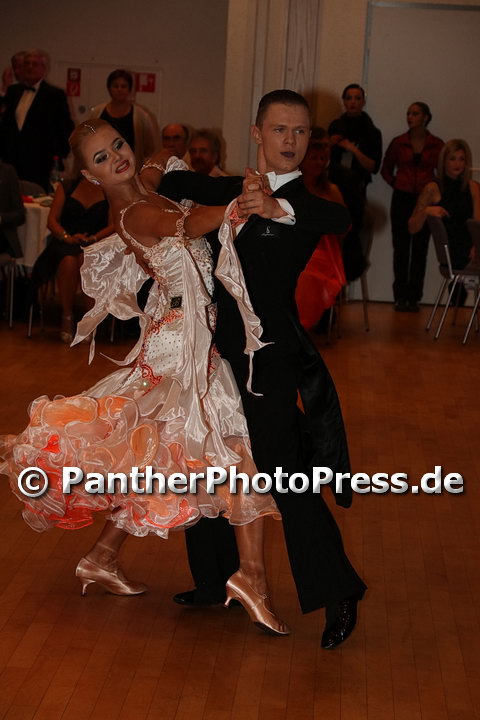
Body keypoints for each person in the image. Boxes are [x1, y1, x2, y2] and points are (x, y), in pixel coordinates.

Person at [0, 118, 290, 637]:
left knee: (157, 454)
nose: (117, 157)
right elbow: (192, 222)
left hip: (186, 337)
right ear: (90, 176)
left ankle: (103, 557)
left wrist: (160, 158)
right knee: (231, 451)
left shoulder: (146, 187)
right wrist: (240, 203)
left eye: (117, 145)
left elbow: (155, 161)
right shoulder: (135, 212)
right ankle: (252, 578)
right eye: (102, 158)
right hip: (179, 348)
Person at [157, 89, 367, 650]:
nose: (290, 141)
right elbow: (171, 182)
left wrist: (278, 210)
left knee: (281, 470)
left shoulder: (305, 204)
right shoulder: (233, 189)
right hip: (213, 353)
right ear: (257, 134)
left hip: (268, 359)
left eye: (300, 131)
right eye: (279, 129)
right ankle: (213, 580)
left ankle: (339, 590)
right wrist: (147, 165)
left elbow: (341, 218)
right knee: (209, 459)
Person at [31, 173, 114, 342]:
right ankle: (67, 316)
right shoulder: (67, 186)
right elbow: (52, 220)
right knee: (68, 261)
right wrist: (66, 237)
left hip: (95, 243)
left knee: (86, 260)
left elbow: (114, 225)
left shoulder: (109, 189)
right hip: (66, 241)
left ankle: (89, 320)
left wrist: (94, 238)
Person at [381, 102, 443, 311]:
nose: (410, 117)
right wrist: (397, 184)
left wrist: (434, 191)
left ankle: (414, 297)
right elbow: (386, 169)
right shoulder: (399, 142)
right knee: (400, 248)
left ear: (425, 117)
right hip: (402, 198)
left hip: (424, 201)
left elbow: (442, 171)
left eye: (415, 113)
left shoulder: (436, 144)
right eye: (408, 113)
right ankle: (400, 296)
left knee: (420, 249)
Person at [408, 138, 480, 304]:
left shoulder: (473, 187)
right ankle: (459, 286)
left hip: (472, 248)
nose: (457, 164)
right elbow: (412, 227)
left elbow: (477, 224)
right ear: (443, 161)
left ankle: (460, 287)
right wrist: (426, 211)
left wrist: (476, 245)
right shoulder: (433, 188)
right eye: (452, 159)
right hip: (453, 252)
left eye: (461, 159)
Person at [328, 84, 382, 281]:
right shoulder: (335, 126)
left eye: (357, 98)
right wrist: (330, 144)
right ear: (344, 101)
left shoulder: (372, 132)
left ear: (363, 102)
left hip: (356, 190)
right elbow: (322, 159)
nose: (353, 102)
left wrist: (352, 149)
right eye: (349, 98)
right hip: (333, 189)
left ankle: (348, 276)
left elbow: (373, 166)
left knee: (353, 233)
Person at [0, 49, 74, 192]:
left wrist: (57, 157)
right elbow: (5, 125)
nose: (30, 67)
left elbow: (65, 128)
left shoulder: (55, 95)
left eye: (35, 64)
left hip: (40, 162)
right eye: (27, 64)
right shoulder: (13, 91)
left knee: (38, 197)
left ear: (44, 69)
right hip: (12, 161)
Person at [295, 128, 346, 330]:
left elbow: (344, 227)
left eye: (322, 158)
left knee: (306, 274)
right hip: (293, 245)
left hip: (322, 249)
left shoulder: (331, 190)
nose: (318, 162)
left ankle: (302, 326)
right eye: (313, 158)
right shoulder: (293, 188)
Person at [90, 69, 160, 171]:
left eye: (123, 86)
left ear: (129, 89)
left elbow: (151, 149)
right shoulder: (97, 113)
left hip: (133, 169)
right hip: (102, 169)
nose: (119, 89)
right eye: (116, 86)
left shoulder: (142, 116)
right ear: (109, 88)